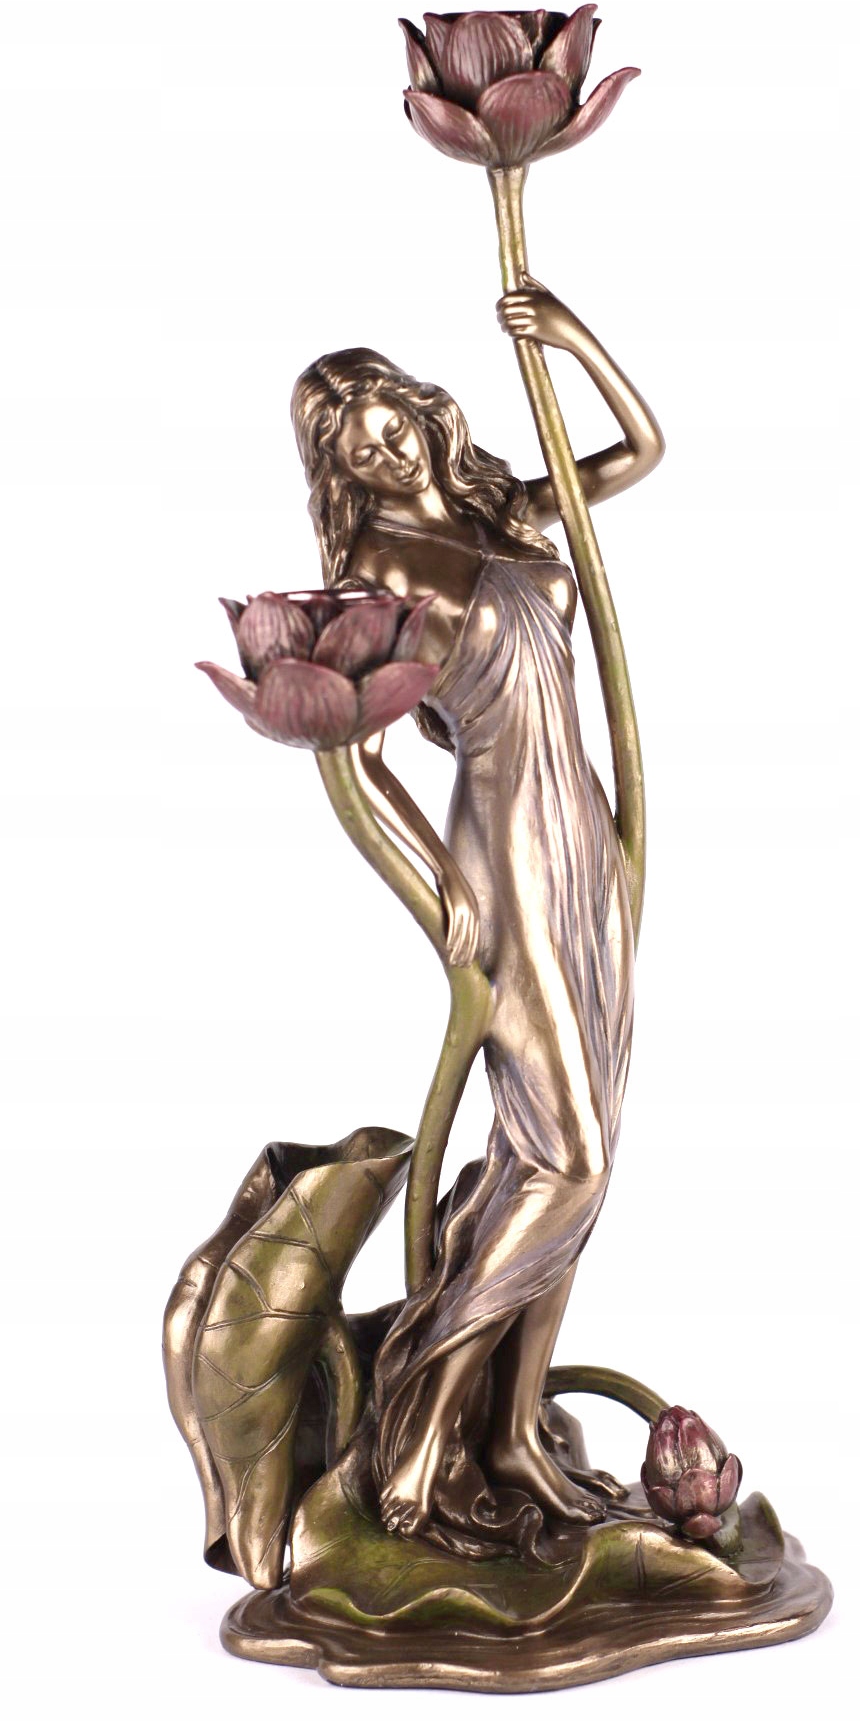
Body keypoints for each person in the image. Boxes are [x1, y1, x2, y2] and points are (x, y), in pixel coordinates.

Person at [291, 281, 664, 1551]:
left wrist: (567, 338)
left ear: (417, 408)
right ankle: (415, 1429)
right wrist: (439, 890)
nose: (385, 451)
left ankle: (507, 1433)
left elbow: (639, 451)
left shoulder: (498, 508)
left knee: (557, 1154)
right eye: (356, 449)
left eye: (388, 421)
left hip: (581, 833)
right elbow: (352, 746)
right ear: (338, 474)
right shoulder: (374, 573)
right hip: (502, 842)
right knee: (568, 1159)